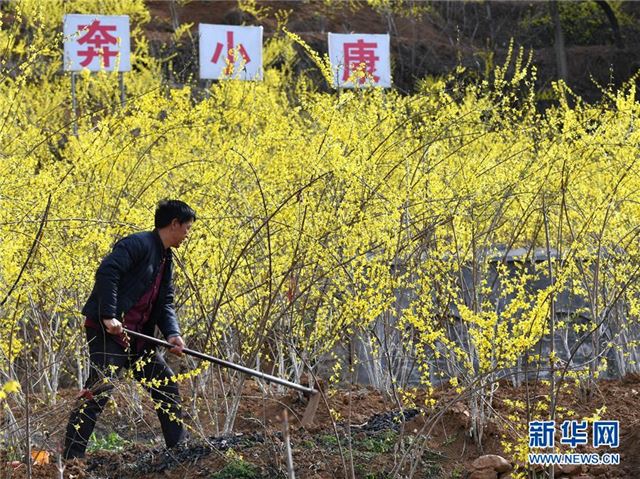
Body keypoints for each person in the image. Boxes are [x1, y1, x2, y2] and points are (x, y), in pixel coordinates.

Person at [63, 199, 196, 459]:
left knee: (165, 384)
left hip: (139, 337)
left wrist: (172, 334)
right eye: (187, 228)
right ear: (174, 224)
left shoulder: (166, 258)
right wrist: (109, 316)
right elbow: (107, 272)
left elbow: (164, 300)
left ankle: (178, 451)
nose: (188, 234)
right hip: (109, 333)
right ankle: (71, 459)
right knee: (100, 389)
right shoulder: (137, 244)